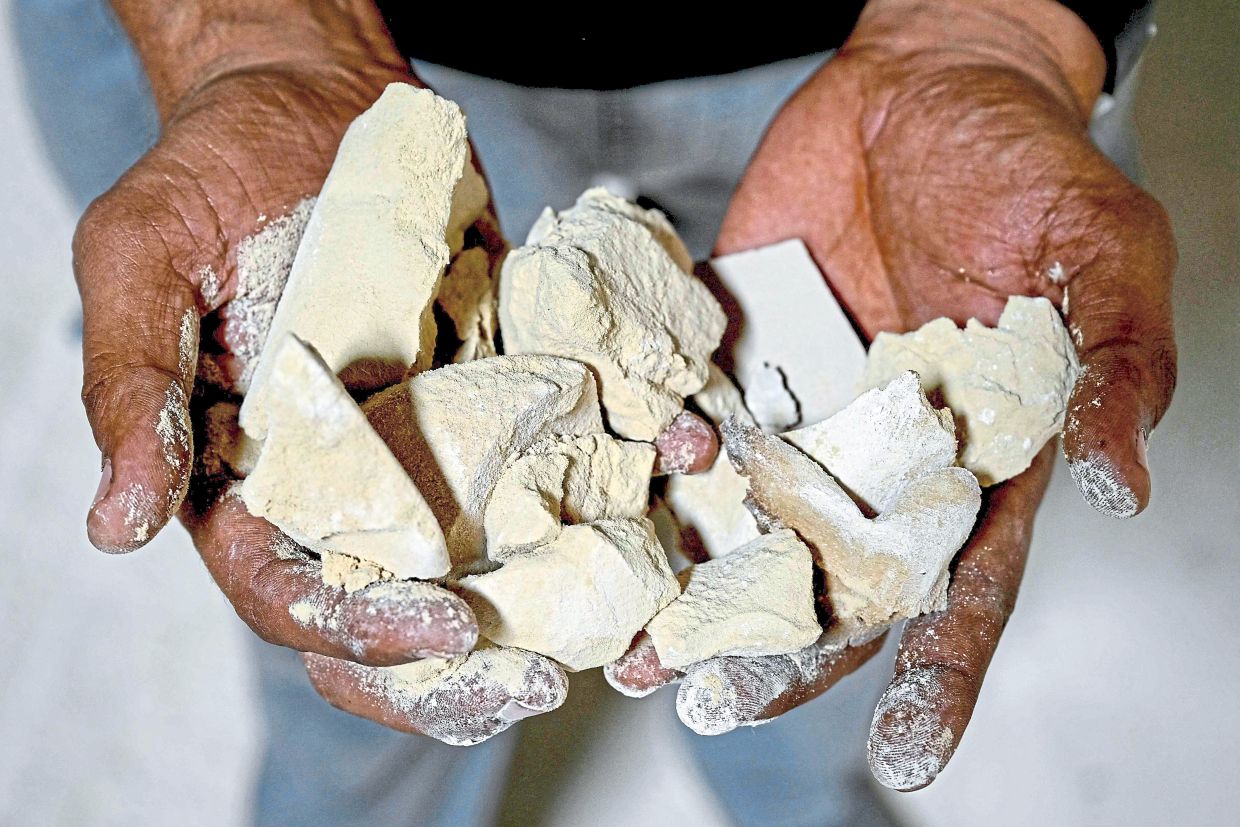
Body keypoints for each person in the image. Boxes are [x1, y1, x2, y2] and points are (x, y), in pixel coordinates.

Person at [21, 0, 1175, 824]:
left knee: (811, 647)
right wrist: (243, 31)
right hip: (287, 41)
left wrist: (999, 30)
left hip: (882, 51)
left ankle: (798, 795)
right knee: (358, 633)